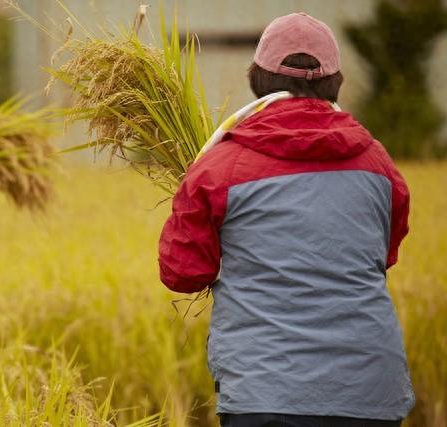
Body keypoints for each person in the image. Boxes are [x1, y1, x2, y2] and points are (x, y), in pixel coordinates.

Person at [158, 12, 414, 427]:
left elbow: (183, 274)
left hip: (265, 396)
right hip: (370, 392)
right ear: (335, 82)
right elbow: (383, 254)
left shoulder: (216, 167)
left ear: (257, 80)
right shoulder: (379, 164)